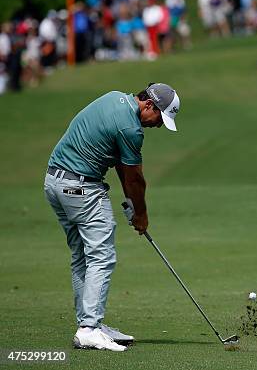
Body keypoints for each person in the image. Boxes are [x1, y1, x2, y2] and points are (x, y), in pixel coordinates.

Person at [44, 83, 181, 352]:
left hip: (54, 183)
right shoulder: (131, 129)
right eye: (160, 119)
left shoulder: (114, 98)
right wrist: (141, 214)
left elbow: (120, 162)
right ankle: (88, 329)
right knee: (101, 256)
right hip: (82, 188)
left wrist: (130, 203)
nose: (158, 126)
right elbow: (135, 178)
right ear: (149, 105)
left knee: (82, 256)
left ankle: (89, 322)